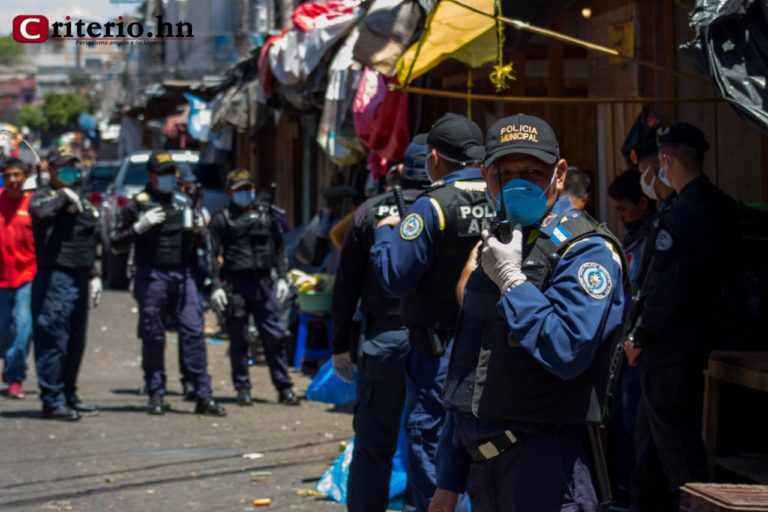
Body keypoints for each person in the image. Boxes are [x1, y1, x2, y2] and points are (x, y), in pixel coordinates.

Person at [431, 114, 626, 511]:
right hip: (482, 473)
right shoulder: (500, 240)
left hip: (544, 470)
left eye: (533, 173)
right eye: (506, 173)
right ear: (486, 175)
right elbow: (469, 368)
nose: (518, 184)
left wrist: (513, 282)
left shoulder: (585, 250)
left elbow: (567, 348)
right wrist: (448, 481)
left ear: (559, 174)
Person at [370, 113, 491, 511]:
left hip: (438, 350)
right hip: (494, 347)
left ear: (434, 158)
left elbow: (395, 275)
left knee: (430, 441)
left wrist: (387, 232)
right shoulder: (500, 200)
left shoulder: (431, 206)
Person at [624, 123, 740, 512]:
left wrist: (637, 338)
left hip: (667, 348)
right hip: (700, 341)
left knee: (675, 454)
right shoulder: (722, 207)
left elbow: (665, 288)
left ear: (667, 160)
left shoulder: (678, 215)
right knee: (651, 451)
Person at [332, 139, 432, 512]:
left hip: (382, 341)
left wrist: (340, 346)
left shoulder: (369, 212)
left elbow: (345, 287)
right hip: (433, 344)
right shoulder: (446, 209)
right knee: (429, 442)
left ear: (402, 169)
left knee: (374, 445)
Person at [111, 151, 225, 416]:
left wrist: (198, 230)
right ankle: (156, 392)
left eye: (171, 173)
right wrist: (138, 228)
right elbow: (115, 243)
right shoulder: (136, 205)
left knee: (193, 332)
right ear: (151, 175)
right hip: (152, 276)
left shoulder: (184, 202)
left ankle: (201, 394)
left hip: (183, 275)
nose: (168, 178)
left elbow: (202, 240)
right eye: (163, 173)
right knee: (153, 335)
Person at [208, 170, 298, 406]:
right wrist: (215, 286)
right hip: (235, 285)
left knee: (274, 336)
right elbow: (212, 254)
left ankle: (284, 387)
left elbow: (279, 249)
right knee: (240, 340)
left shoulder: (267, 216)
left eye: (247, 188)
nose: (245, 193)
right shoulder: (222, 219)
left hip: (263, 284)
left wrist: (282, 277)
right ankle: (242, 388)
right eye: (239, 189)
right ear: (229, 192)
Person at [29, 149, 102, 421]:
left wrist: (94, 274)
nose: (71, 171)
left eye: (74, 166)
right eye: (64, 167)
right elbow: (39, 213)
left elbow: (86, 239)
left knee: (75, 341)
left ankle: (69, 394)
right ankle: (53, 399)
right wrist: (61, 197)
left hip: (80, 277)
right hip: (55, 279)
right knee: (53, 340)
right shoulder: (43, 197)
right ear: (52, 170)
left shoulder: (80, 198)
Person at [606, 168, 656, 507]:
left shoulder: (653, 234)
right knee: (621, 424)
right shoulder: (630, 238)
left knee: (635, 426)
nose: (621, 216)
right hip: (622, 347)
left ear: (642, 202)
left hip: (642, 348)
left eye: (624, 208)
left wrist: (635, 340)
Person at [0, 158, 37, 399]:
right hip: (1, 279)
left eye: (18, 175)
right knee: (3, 330)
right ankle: (11, 363)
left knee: (23, 329)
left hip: (27, 276)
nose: (14, 180)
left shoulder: (34, 204)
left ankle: (15, 376)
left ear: (25, 176)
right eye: (9, 175)